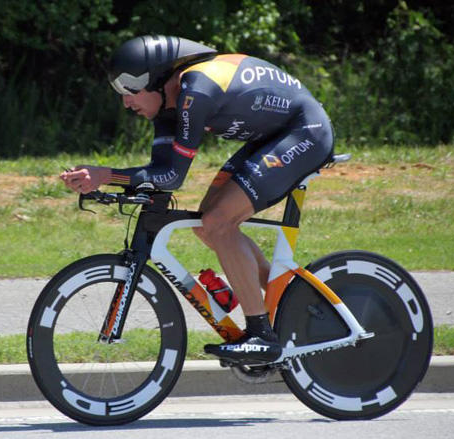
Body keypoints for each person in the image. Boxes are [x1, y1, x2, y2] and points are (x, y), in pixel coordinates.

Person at [60, 35, 334, 365]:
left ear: (157, 79)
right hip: (272, 137)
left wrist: (106, 174)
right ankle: (295, 307)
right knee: (206, 226)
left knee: (218, 223)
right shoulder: (167, 108)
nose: (126, 102)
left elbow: (172, 177)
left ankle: (261, 335)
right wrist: (105, 182)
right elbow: (159, 174)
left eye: (130, 90)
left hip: (305, 131)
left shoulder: (196, 90)